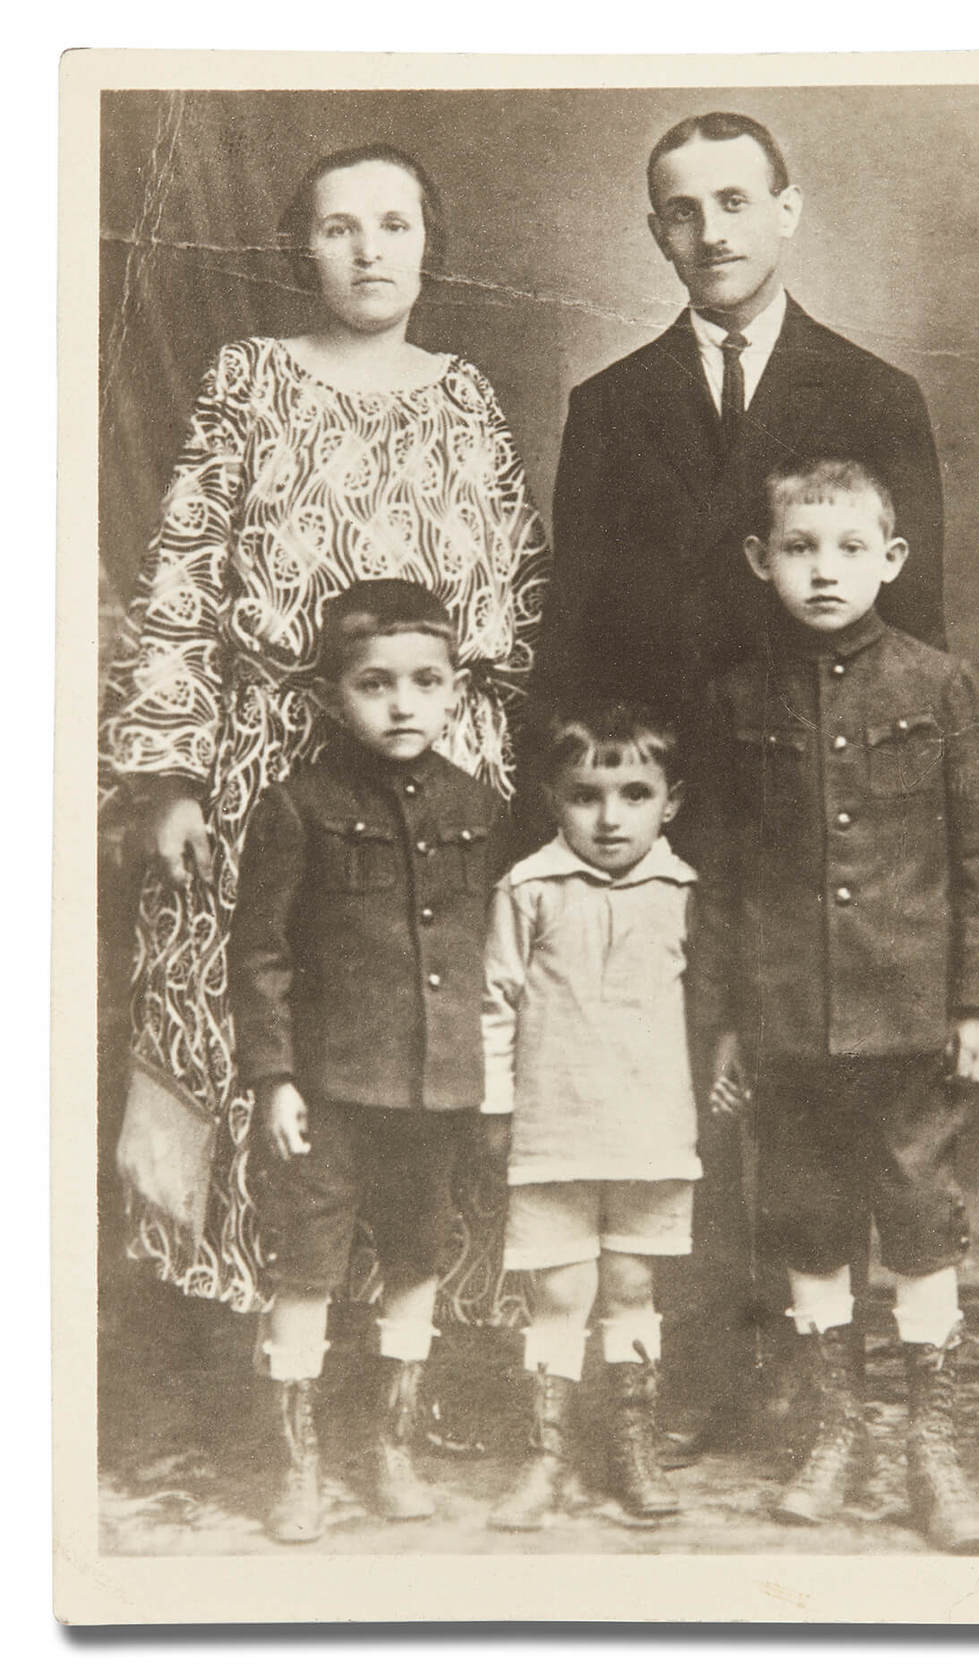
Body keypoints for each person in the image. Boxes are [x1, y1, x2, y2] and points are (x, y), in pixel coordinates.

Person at [99, 142, 548, 1311]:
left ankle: (419, 1327)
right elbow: (185, 575)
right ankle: (265, 1334)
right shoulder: (247, 377)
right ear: (302, 246)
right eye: (340, 227)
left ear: (428, 245)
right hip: (263, 769)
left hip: (438, 773)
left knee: (426, 1032)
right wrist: (170, 779)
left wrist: (492, 770)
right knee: (274, 1027)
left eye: (394, 225)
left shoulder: (467, 399)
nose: (368, 250)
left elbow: (517, 597)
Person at [692, 458, 979, 1553]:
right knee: (807, 1215)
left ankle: (934, 1445)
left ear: (892, 559)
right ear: (760, 560)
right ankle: (838, 1432)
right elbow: (726, 877)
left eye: (847, 548)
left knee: (920, 1220)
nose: (822, 570)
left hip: (912, 1019)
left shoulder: (939, 685)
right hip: (788, 1022)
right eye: (797, 547)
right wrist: (730, 1016)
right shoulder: (739, 697)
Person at [228, 580, 502, 1541]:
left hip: (438, 1092)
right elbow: (261, 952)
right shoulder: (297, 807)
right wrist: (275, 1077)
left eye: (426, 682)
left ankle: (394, 1444)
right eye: (375, 684)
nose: (402, 703)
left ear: (455, 689)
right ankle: (297, 1466)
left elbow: (495, 952)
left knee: (417, 1258)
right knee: (306, 1266)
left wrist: (493, 1073)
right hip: (333, 1090)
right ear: (329, 696)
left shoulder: (479, 805)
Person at [539, 110, 945, 721]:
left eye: (734, 202)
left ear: (786, 212)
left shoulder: (877, 395)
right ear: (658, 234)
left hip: (817, 765)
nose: (710, 234)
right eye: (683, 211)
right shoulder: (607, 404)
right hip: (657, 767)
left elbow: (915, 629)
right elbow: (575, 630)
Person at [481, 702, 700, 1528]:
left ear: (669, 803)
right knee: (561, 1289)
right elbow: (495, 1000)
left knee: (633, 1281)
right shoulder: (528, 888)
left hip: (651, 1128)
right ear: (552, 798)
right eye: (585, 795)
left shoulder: (684, 891)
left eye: (636, 794)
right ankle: (546, 1458)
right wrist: (499, 1105)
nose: (611, 818)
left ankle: (633, 1449)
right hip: (553, 1125)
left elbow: (708, 1007)